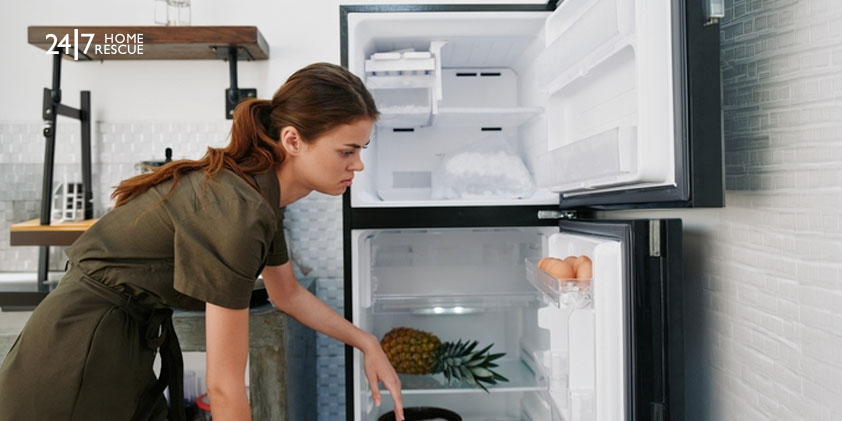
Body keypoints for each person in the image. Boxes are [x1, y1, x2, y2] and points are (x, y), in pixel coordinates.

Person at [0, 62, 404, 421]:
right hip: (77, 351)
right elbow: (225, 387)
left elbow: (287, 295)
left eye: (361, 149)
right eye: (347, 150)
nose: (359, 164)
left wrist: (365, 341)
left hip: (117, 339)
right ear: (294, 141)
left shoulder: (259, 195)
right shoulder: (241, 210)